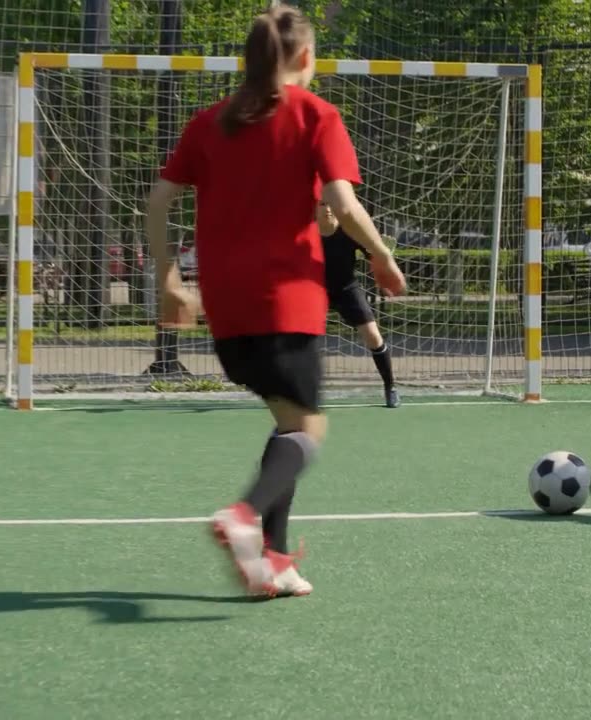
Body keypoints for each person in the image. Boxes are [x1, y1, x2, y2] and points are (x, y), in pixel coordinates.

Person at [144, 5, 406, 599]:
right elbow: (341, 204)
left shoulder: (210, 122)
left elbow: (158, 200)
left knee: (287, 423)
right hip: (286, 299)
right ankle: (244, 516)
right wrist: (382, 255)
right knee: (308, 428)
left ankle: (275, 561)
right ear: (307, 59)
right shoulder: (317, 116)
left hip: (226, 306)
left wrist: (167, 277)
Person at [316, 202, 399, 408]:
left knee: (373, 336)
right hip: (315, 290)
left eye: (330, 203)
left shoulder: (349, 230)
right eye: (321, 204)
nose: (327, 208)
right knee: (298, 339)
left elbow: (374, 255)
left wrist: (383, 258)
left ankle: (390, 387)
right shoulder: (307, 232)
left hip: (347, 289)